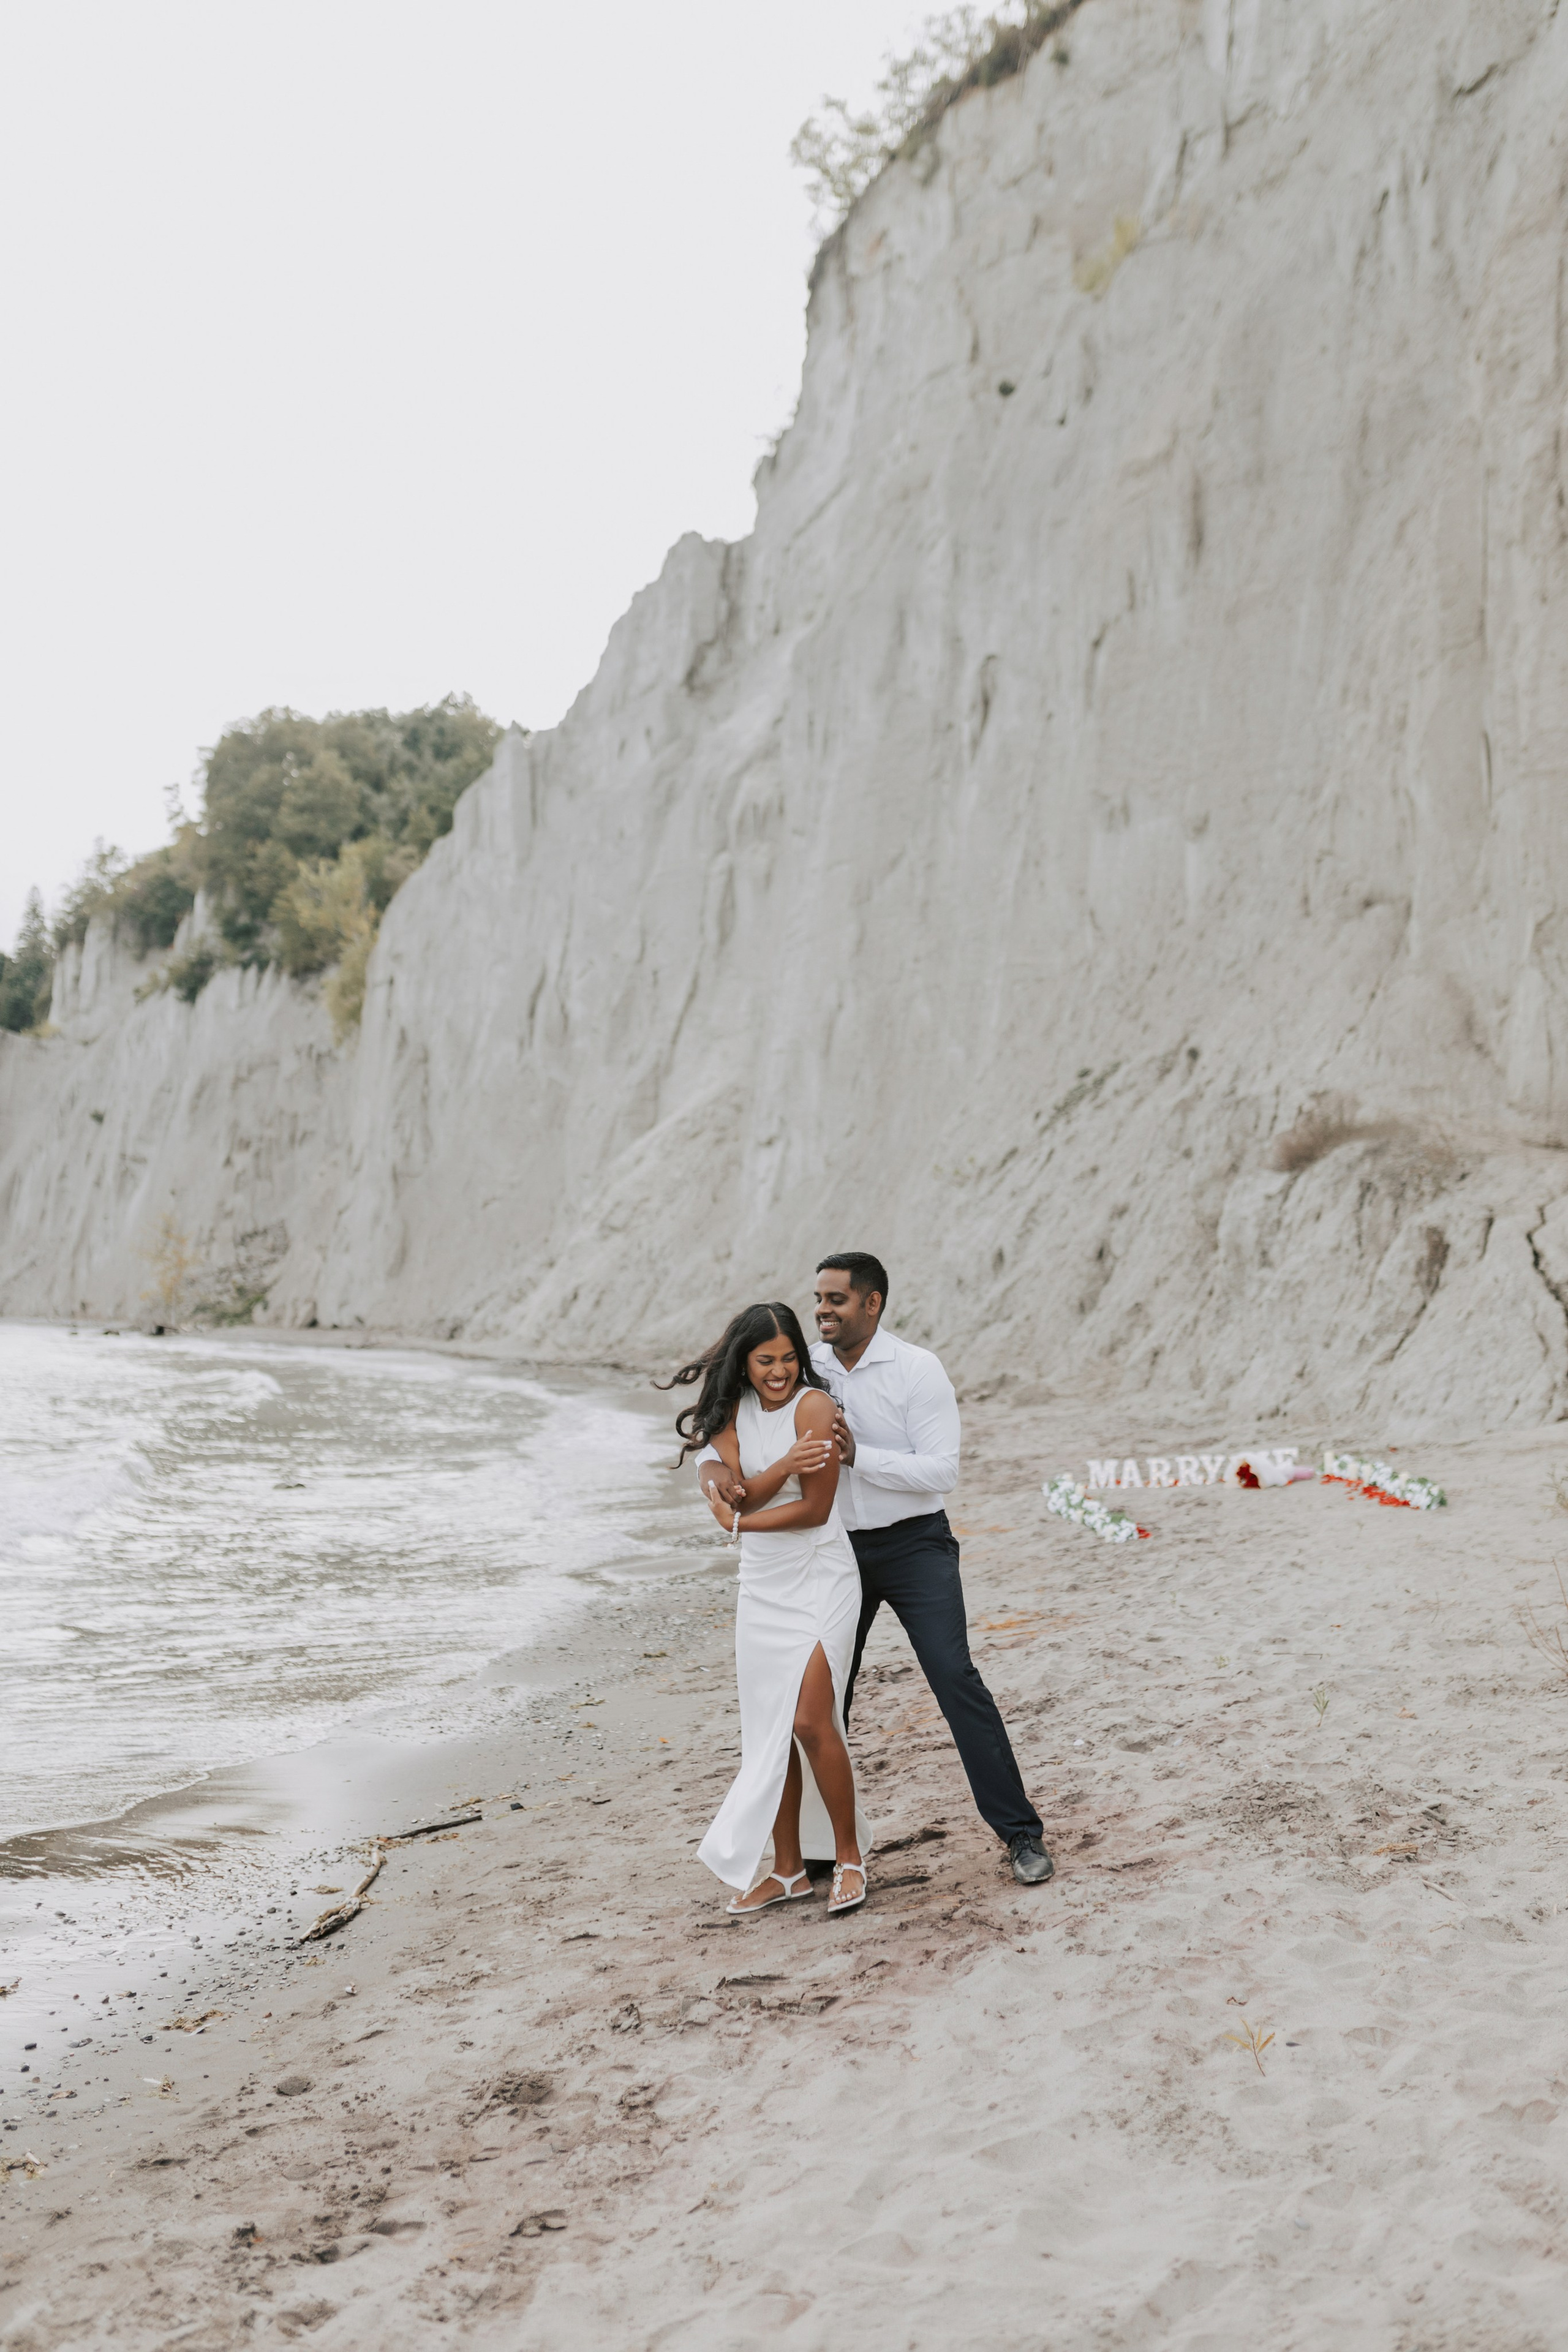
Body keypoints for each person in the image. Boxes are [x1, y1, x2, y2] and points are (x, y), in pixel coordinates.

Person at [699, 1256, 1054, 1887]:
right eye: (818, 1298)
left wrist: (860, 1456)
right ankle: (819, 1853)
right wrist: (712, 1468)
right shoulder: (805, 1366)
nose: (822, 1310)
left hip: (916, 1546)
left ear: (872, 1303)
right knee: (817, 1705)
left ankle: (1020, 1832)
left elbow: (942, 1470)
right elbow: (737, 1414)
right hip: (834, 1556)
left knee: (954, 1677)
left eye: (836, 1299)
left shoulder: (917, 1369)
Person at [664, 1302, 873, 1918]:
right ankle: (788, 1871)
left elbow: (812, 1509)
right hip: (762, 1585)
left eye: (787, 1358)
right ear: (744, 1363)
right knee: (770, 1731)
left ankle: (849, 1858)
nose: (778, 1371)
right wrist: (756, 1474)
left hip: (820, 1575)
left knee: (809, 1720)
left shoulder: (814, 1408)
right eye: (765, 1361)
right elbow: (739, 1491)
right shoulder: (733, 1411)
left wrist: (737, 1520)